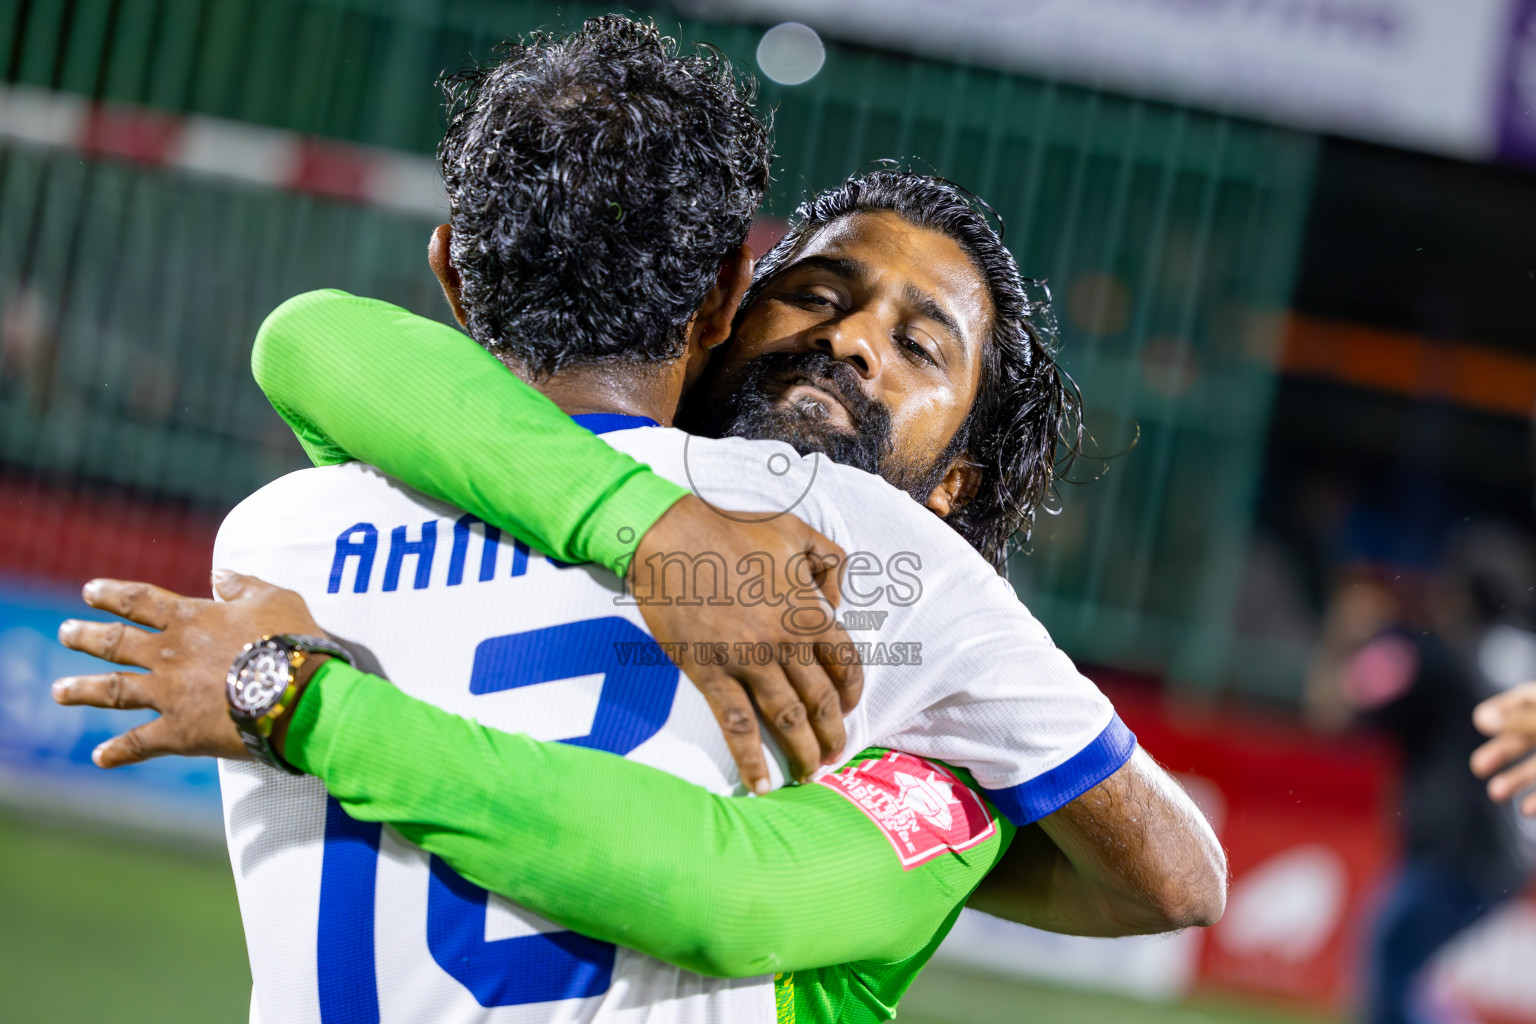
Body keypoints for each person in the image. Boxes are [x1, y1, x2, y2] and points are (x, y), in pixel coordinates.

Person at [54, 16, 1224, 1024]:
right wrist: (657, 531)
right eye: (814, 292)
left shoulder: (284, 529)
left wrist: (297, 696)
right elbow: (320, 340)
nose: (852, 339)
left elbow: (308, 337)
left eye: (920, 347)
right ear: (722, 307)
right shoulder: (853, 579)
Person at [1308, 531, 1534, 1024]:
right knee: (1404, 977)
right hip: (1507, 860)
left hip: (1451, 854)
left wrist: (1348, 633)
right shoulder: (1524, 659)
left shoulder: (1442, 660)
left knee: (1388, 981)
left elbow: (1335, 709)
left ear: (1457, 597)